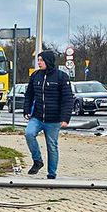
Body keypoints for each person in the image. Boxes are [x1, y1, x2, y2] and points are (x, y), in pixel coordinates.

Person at [23, 49, 74, 179]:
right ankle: (37, 160)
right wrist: (27, 110)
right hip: (37, 116)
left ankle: (52, 174)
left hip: (54, 119)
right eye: (38, 60)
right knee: (29, 134)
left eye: (41, 60)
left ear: (48, 61)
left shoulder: (61, 77)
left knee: (52, 145)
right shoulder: (35, 76)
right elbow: (29, 94)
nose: (39, 63)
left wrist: (65, 118)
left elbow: (67, 98)